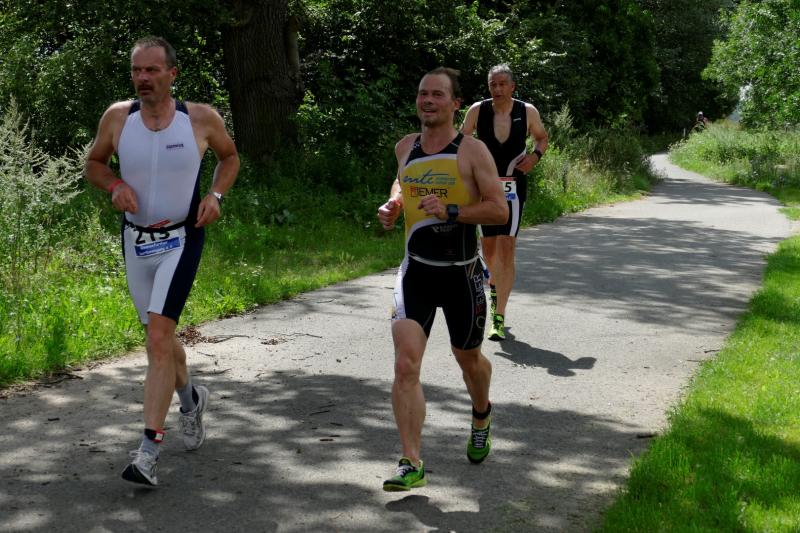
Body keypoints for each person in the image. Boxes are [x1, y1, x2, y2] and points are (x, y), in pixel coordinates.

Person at [85, 36, 239, 486]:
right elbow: (94, 164)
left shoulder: (200, 119)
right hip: (136, 241)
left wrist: (215, 195)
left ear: (172, 74)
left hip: (181, 238)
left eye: (152, 70)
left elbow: (230, 158)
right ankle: (191, 399)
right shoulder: (119, 117)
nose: (143, 78)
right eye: (137, 70)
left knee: (157, 337)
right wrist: (114, 185)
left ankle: (148, 453)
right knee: (161, 338)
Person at [376, 67, 508, 491]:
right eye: (422, 94)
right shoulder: (405, 147)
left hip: (461, 274)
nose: (427, 101)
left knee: (469, 360)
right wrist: (394, 204)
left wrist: (453, 211)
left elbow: (499, 209)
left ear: (455, 104)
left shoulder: (472, 151)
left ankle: (481, 413)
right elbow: (403, 182)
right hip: (416, 269)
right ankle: (411, 462)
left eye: (437, 94)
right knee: (405, 365)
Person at [461, 64, 548, 341]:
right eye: (493, 84)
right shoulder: (477, 110)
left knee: (507, 246)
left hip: (513, 187)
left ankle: (498, 315)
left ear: (512, 87)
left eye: (502, 84)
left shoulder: (527, 111)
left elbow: (542, 138)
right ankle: (494, 285)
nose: (497, 89)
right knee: (489, 249)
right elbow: (460, 142)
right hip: (485, 188)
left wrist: (534, 158)